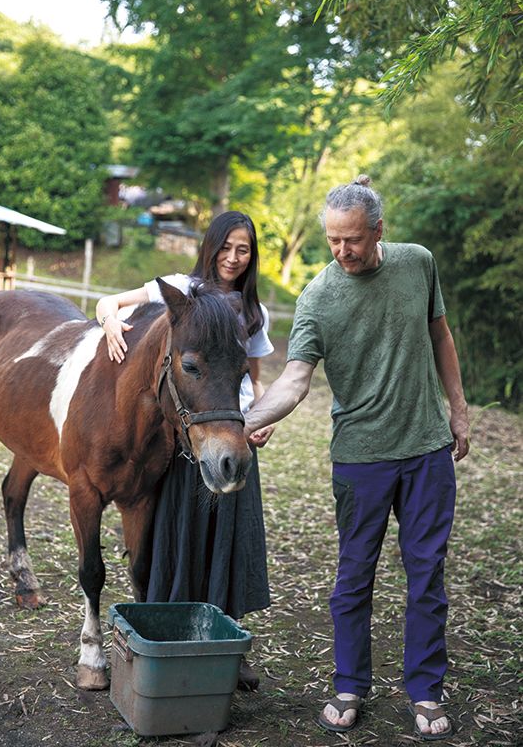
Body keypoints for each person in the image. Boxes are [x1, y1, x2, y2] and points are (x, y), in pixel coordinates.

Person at [243, 176, 469, 738]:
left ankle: (424, 690)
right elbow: (296, 379)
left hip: (426, 450)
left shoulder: (418, 263)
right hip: (361, 458)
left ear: (378, 231)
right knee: (354, 576)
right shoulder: (318, 297)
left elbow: (440, 335)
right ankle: (350, 684)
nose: (342, 251)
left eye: (353, 240)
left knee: (427, 575)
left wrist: (458, 410)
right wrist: (248, 421)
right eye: (333, 240)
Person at [96, 210, 274, 690]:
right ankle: (173, 637)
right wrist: (112, 322)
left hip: (233, 432)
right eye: (226, 247)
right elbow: (109, 300)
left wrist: (259, 420)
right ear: (210, 246)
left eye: (244, 250)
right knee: (179, 538)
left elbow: (251, 380)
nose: (233, 258)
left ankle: (225, 645)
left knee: (226, 544)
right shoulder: (180, 288)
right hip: (186, 437)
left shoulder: (252, 311)